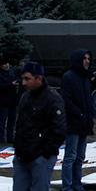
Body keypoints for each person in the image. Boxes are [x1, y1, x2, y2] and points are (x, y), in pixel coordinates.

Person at [13, 62, 66, 191]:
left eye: (27, 78)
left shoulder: (53, 99)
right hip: (22, 156)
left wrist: (45, 153)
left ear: (39, 78)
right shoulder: (25, 97)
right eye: (23, 79)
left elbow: (59, 129)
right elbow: (20, 124)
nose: (24, 83)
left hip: (41, 157)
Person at [60, 50, 94, 191]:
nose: (87, 61)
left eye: (88, 58)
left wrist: (88, 117)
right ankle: (67, 186)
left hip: (84, 122)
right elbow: (66, 100)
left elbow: (88, 100)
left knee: (80, 157)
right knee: (70, 157)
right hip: (73, 122)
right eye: (84, 58)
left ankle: (77, 184)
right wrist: (79, 114)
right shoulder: (68, 77)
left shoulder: (85, 78)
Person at [0, 58, 19, 143]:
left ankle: (10, 138)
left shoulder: (11, 72)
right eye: (4, 64)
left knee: (12, 121)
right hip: (3, 102)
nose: (7, 65)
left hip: (12, 101)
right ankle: (1, 139)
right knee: (2, 122)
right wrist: (10, 84)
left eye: (7, 63)